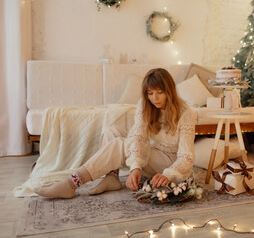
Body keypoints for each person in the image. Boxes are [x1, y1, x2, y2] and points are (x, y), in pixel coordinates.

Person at [34, 68, 196, 199]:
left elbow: (186, 157)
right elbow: (138, 136)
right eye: (150, 93)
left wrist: (168, 174)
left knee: (119, 144)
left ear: (170, 91)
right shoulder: (145, 105)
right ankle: (111, 177)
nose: (155, 98)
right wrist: (135, 167)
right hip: (152, 154)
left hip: (171, 165)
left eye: (160, 92)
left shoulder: (186, 113)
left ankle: (72, 183)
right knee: (114, 131)